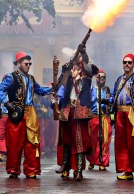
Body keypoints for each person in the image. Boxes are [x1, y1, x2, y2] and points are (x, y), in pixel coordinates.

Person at [0, 51, 52, 179]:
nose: (28, 66)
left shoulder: (31, 78)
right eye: (26, 63)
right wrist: (6, 103)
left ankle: (31, 170)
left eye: (30, 64)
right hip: (17, 112)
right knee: (15, 143)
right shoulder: (11, 77)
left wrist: (52, 88)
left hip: (31, 112)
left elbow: (40, 90)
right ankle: (13, 170)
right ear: (19, 63)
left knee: (32, 143)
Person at [104, 53, 134, 181]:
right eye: (125, 62)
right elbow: (114, 96)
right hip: (120, 114)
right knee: (121, 144)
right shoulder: (119, 80)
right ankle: (127, 171)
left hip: (132, 114)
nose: (127, 64)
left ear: (133, 64)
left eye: (129, 62)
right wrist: (106, 100)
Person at [54, 44, 98, 181]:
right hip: (68, 109)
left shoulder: (88, 72)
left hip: (80, 110)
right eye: (75, 55)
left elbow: (89, 67)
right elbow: (60, 85)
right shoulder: (67, 71)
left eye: (78, 55)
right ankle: (65, 164)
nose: (77, 57)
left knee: (80, 141)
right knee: (66, 139)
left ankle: (79, 170)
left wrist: (83, 54)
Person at [87, 70, 112, 171]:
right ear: (96, 78)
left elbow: (112, 101)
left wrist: (108, 101)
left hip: (104, 118)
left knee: (105, 141)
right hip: (93, 118)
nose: (101, 79)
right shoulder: (91, 89)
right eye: (99, 77)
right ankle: (92, 161)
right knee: (92, 142)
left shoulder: (108, 90)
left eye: (103, 78)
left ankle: (102, 162)